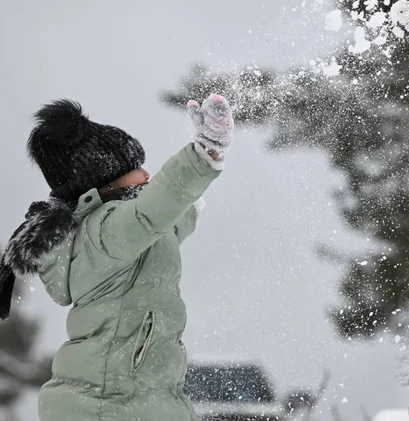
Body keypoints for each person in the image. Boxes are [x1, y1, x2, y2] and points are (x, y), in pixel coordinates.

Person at [0, 93, 234, 421]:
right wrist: (201, 157)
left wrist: (194, 186)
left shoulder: (128, 234)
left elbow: (167, 215)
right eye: (135, 168)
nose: (146, 174)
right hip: (108, 404)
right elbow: (154, 210)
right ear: (104, 183)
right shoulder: (104, 232)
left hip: (133, 400)